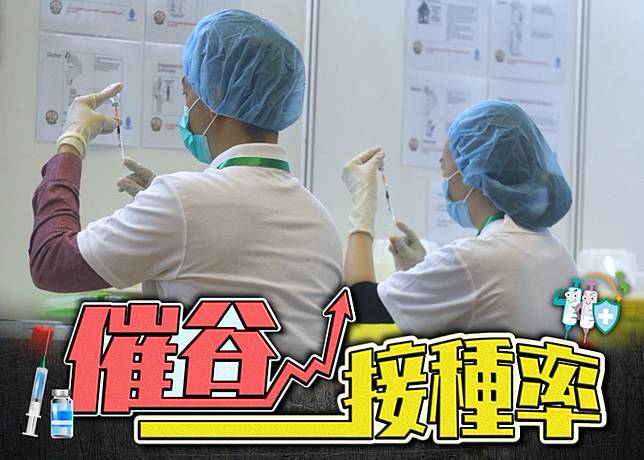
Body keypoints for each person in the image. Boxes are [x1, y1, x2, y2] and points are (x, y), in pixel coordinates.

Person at [29, 10, 342, 360]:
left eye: (187, 92)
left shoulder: (182, 202)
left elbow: (51, 262)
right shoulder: (320, 220)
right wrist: (168, 214)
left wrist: (71, 144)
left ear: (215, 94)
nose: (186, 108)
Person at [341, 100, 577, 339]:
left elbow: (358, 304)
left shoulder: (473, 259)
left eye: (445, 168)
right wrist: (424, 271)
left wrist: (362, 211)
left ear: (471, 172)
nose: (445, 181)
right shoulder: (560, 255)